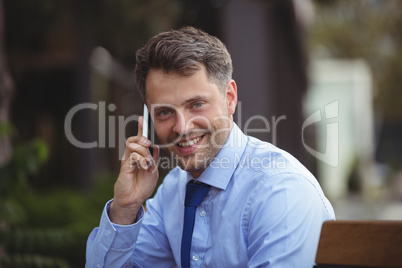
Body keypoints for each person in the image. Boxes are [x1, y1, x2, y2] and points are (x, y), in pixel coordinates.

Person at [86, 26, 335, 268]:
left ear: (229, 98)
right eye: (164, 112)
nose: (181, 128)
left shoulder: (281, 191)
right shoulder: (171, 191)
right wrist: (125, 208)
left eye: (196, 105)